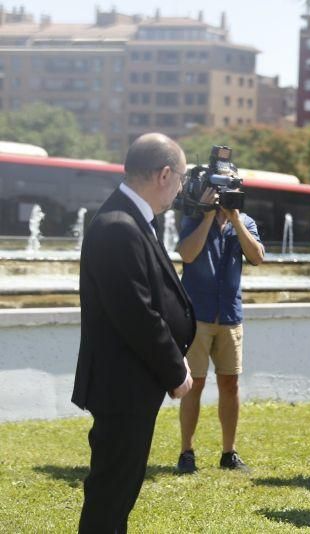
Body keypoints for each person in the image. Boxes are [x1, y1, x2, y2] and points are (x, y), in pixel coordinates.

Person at [72, 133, 195, 532]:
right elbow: (137, 313)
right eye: (180, 178)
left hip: (132, 383)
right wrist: (175, 370)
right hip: (121, 385)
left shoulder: (133, 219)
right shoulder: (118, 225)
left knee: (119, 493)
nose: (181, 188)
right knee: (111, 495)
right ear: (163, 174)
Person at [174, 187, 265, 474]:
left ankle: (229, 453)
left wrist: (235, 219)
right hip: (197, 316)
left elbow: (257, 256)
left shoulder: (245, 222)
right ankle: (186, 452)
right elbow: (187, 255)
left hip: (229, 316)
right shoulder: (193, 216)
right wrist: (206, 217)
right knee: (194, 385)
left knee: (230, 385)